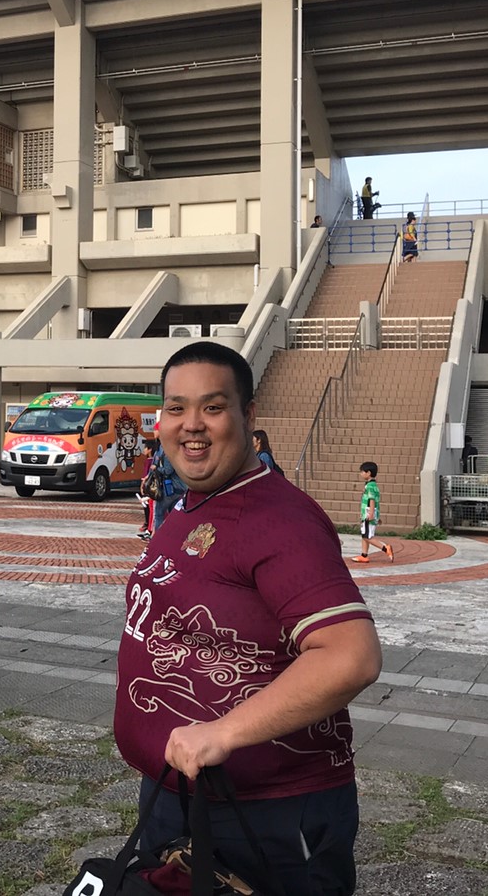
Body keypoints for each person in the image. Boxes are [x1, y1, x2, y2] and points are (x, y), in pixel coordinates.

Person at [116, 340, 381, 895]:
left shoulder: (279, 520)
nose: (192, 425)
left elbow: (350, 656)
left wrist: (224, 732)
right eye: (175, 408)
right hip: (179, 796)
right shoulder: (188, 505)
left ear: (248, 415)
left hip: (269, 816)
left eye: (213, 407)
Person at [354, 461, 394, 564]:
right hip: (368, 513)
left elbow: (372, 500)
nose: (361, 474)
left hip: (368, 514)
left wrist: (371, 514)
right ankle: (364, 555)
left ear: (368, 473)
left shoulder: (370, 486)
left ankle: (385, 548)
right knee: (365, 535)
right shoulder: (372, 485)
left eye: (362, 472)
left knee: (367, 536)